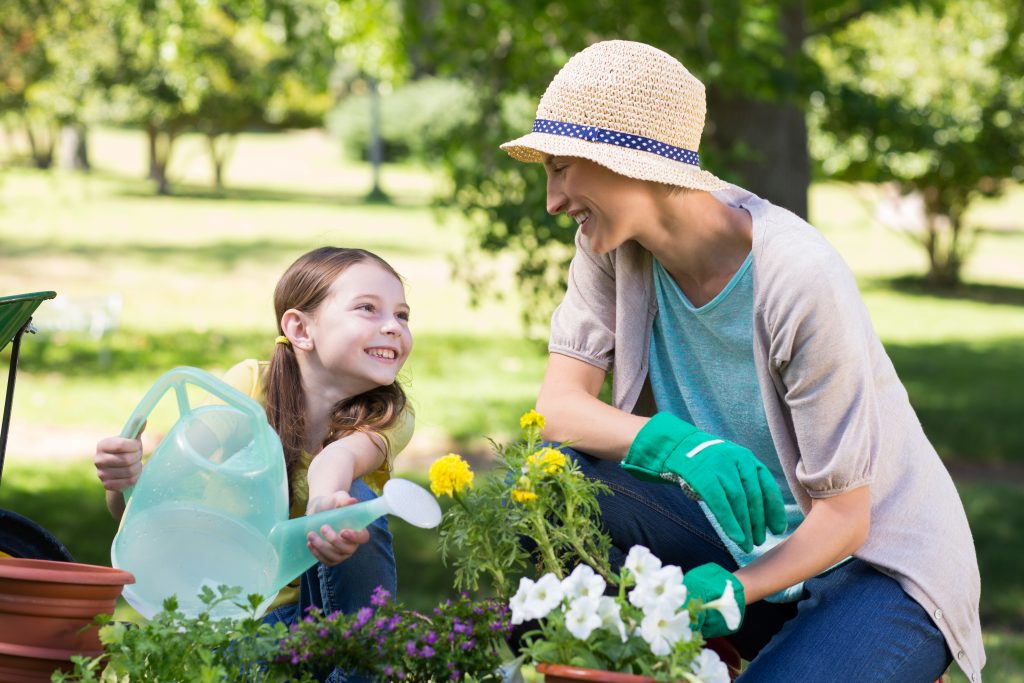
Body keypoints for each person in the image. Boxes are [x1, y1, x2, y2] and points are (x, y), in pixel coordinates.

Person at [500, 40, 983, 682]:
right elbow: (557, 411)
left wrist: (735, 590)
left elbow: (844, 516)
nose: (554, 200)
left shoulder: (798, 277)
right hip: (735, 541)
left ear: (631, 162)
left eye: (563, 169)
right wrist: (676, 447)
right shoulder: (609, 247)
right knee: (555, 488)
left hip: (875, 565)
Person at [94, 247, 414, 679]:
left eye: (402, 315)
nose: (393, 327)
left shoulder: (391, 414)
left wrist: (325, 506)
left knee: (356, 503)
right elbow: (155, 501)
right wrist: (124, 481)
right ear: (300, 328)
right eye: (368, 309)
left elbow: (338, 457)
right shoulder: (250, 386)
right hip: (235, 622)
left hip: (320, 619)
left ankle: (360, 671)